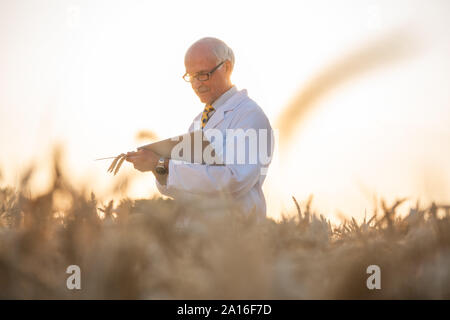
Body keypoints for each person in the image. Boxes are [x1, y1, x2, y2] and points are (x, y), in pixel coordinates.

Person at [126, 37, 273, 218]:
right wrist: (158, 169)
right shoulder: (198, 121)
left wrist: (161, 165)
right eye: (191, 76)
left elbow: (235, 180)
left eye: (203, 74)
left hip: (236, 232)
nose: (196, 83)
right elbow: (184, 186)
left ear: (226, 68)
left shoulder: (249, 115)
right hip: (198, 233)